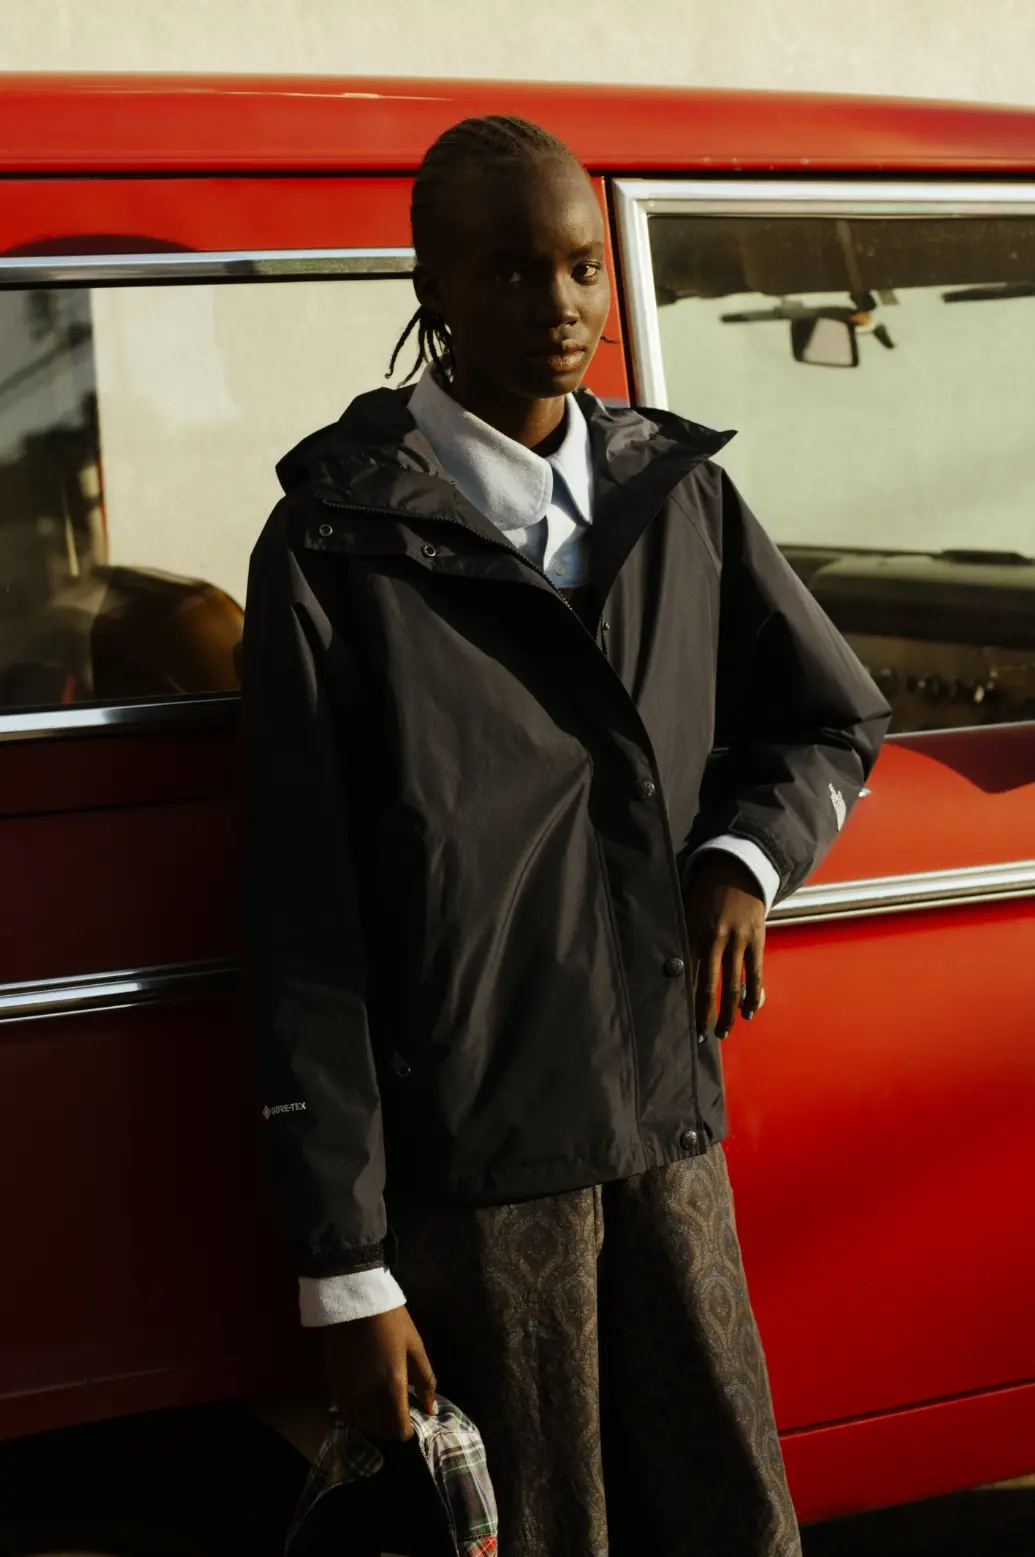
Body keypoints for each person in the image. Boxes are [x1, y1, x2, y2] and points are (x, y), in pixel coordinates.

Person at [242, 116, 890, 1557]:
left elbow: (831, 718)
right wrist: (347, 1273)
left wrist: (743, 860)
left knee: (725, 1519)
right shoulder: (334, 545)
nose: (563, 306)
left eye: (585, 266)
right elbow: (305, 924)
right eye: (510, 270)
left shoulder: (678, 495)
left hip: (667, 1134)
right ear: (432, 286)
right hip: (476, 1175)